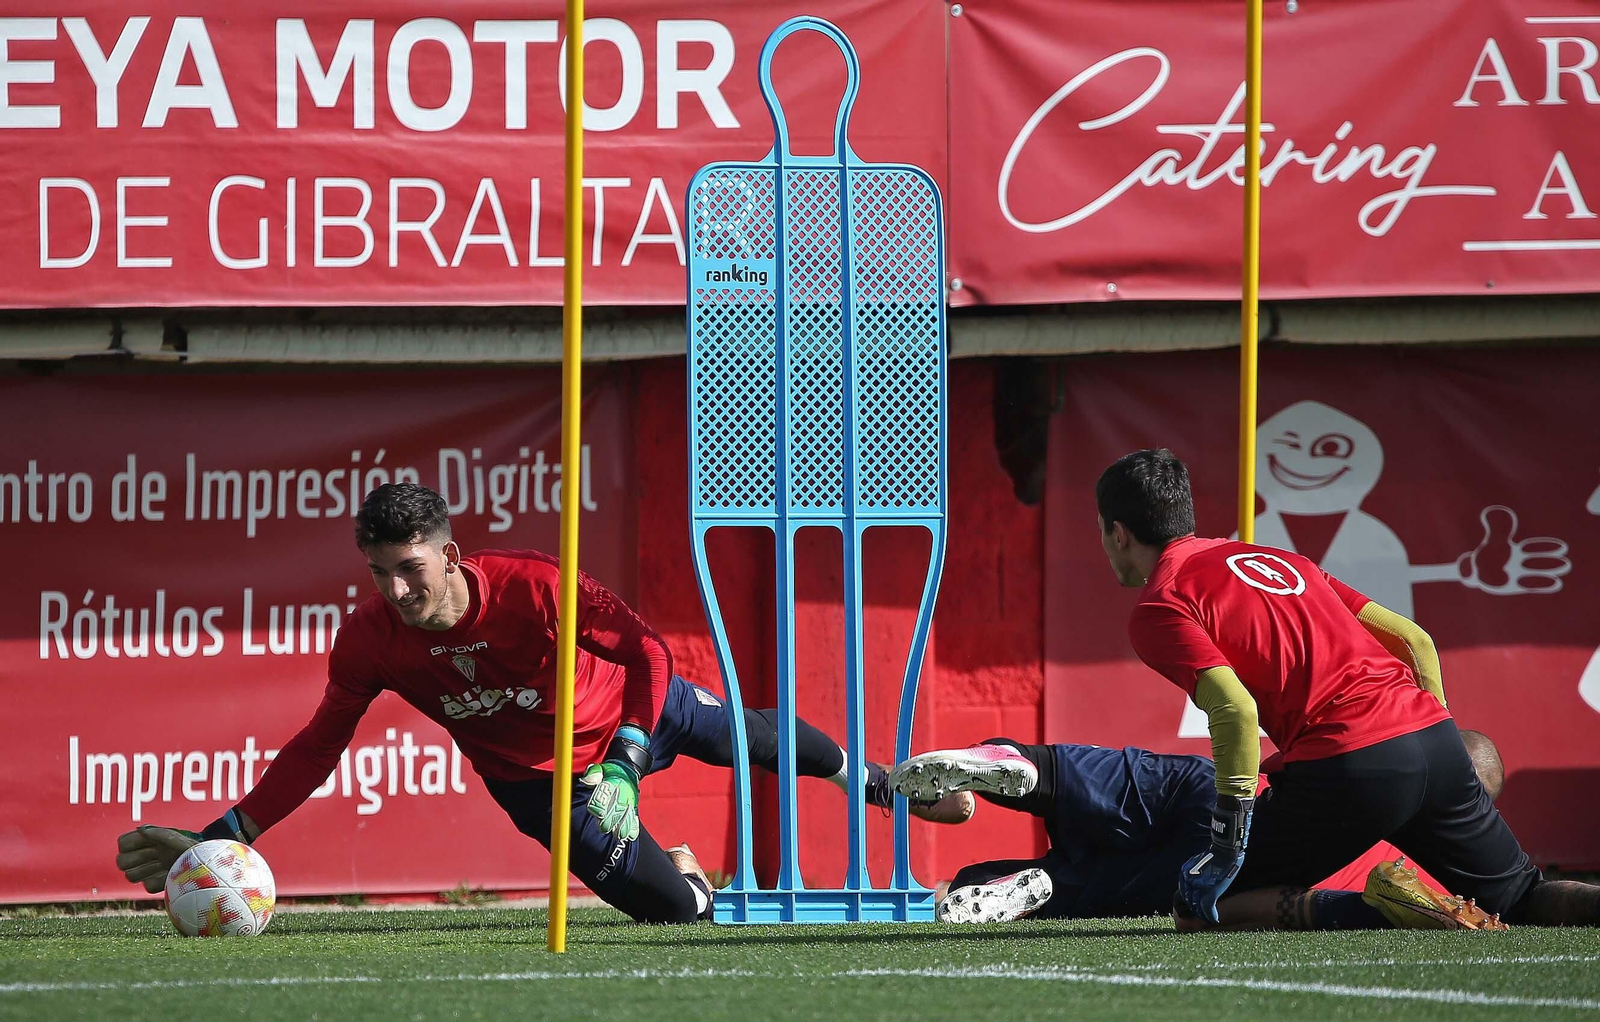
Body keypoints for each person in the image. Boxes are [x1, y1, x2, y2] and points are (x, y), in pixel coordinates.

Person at [114, 483, 972, 924]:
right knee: (674, 914)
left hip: (630, 716)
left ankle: (884, 784)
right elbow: (318, 744)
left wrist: (632, 755)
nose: (396, 590)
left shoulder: (536, 585)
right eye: (379, 572)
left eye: (409, 569)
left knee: (750, 734)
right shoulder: (371, 637)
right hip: (541, 779)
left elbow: (647, 650)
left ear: (449, 554)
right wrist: (227, 834)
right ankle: (680, 875)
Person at [1088, 448, 1600, 931]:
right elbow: (1415, 641)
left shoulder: (1160, 604)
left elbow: (1235, 710)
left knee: (1201, 904)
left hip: (1349, 763)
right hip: (1432, 739)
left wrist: (1229, 831)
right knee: (1525, 896)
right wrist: (1439, 733)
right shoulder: (1279, 558)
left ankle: (1383, 910)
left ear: (1118, 532)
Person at [890, 732, 1505, 927]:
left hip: (1218, 793)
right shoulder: (1416, 872)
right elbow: (1301, 906)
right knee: (1081, 888)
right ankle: (1020, 889)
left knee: (1068, 775)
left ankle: (1017, 770)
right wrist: (1357, 915)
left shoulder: (1379, 758)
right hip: (1223, 868)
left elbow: (1273, 764)